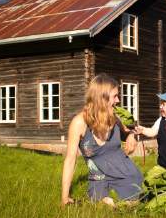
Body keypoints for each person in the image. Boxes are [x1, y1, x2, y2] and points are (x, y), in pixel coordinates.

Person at [61, 73, 143, 206]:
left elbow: (130, 131)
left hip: (126, 174)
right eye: (115, 96)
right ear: (101, 98)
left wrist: (131, 135)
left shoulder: (115, 118)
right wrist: (64, 198)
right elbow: (70, 160)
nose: (118, 101)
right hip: (99, 179)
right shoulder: (79, 123)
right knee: (103, 203)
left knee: (130, 205)